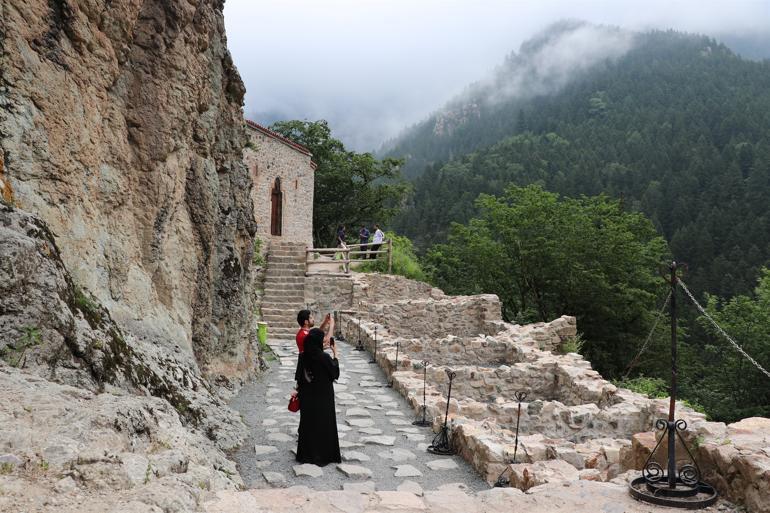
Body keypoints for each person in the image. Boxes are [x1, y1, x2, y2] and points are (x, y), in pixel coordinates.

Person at [294, 322, 341, 466]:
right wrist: (335, 354)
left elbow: (298, 377)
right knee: (323, 424)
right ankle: (324, 455)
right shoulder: (324, 358)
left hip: (307, 397)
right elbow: (335, 373)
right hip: (323, 397)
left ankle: (305, 455)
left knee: (308, 424)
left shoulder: (303, 356)